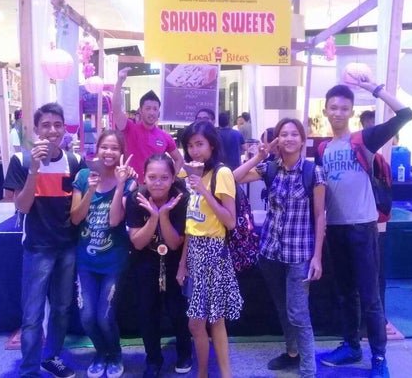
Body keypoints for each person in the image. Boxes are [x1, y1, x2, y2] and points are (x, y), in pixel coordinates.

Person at [317, 81, 412, 378]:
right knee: (345, 293)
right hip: (335, 228)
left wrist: (375, 89)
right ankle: (351, 346)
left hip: (362, 227)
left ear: (351, 112)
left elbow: (406, 114)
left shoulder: (364, 139)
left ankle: (379, 357)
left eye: (344, 108)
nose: (338, 113)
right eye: (333, 108)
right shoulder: (322, 148)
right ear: (325, 110)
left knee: (370, 297)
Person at [233, 118, 326, 378]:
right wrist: (260, 155)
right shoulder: (270, 168)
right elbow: (232, 179)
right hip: (270, 253)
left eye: (294, 134)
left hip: (299, 254)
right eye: (283, 134)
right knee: (282, 307)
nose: (288, 138)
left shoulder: (313, 172)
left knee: (298, 313)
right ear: (277, 139)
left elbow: (320, 216)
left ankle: (309, 370)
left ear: (303, 139)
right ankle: (292, 353)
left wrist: (317, 257)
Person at [3, 102, 86, 378]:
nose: (52, 130)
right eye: (46, 125)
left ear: (64, 129)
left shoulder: (74, 161)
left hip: (67, 246)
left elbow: (79, 205)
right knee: (32, 314)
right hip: (37, 248)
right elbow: (22, 206)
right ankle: (29, 369)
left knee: (61, 309)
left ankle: (51, 357)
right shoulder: (22, 160)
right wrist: (34, 170)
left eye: (57, 125)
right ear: (37, 130)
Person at [176, 120, 243, 378]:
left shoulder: (221, 173)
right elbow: (190, 225)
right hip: (194, 251)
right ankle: (204, 372)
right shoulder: (188, 174)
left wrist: (203, 190)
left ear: (212, 145)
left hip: (214, 251)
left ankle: (222, 374)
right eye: (190, 145)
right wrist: (182, 263)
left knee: (214, 320)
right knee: (198, 323)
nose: (195, 151)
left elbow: (230, 221)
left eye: (200, 144)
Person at [70, 130, 136, 378]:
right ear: (97, 149)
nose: (109, 152)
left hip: (114, 262)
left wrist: (119, 185)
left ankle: (115, 354)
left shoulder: (129, 181)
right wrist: (90, 190)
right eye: (104, 147)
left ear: (122, 153)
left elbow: (115, 220)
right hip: (86, 261)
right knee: (87, 317)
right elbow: (75, 218)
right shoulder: (83, 176)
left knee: (105, 316)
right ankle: (100, 353)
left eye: (114, 148)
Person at [126, 154, 192, 378]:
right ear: (144, 177)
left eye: (164, 177)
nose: (158, 183)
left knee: (177, 310)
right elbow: (137, 242)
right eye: (152, 177)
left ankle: (185, 353)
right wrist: (153, 217)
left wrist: (163, 215)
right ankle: (153, 359)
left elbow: (174, 243)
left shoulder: (181, 198)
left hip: (175, 260)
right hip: (145, 259)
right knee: (147, 311)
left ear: (173, 178)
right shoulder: (136, 198)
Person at [112, 67, 184, 182]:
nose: (151, 112)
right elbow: (116, 109)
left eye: (155, 109)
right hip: (131, 186)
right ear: (140, 110)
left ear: (159, 112)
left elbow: (179, 160)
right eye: (148, 108)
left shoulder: (165, 137)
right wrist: (120, 81)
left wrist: (170, 179)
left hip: (155, 188)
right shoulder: (129, 128)